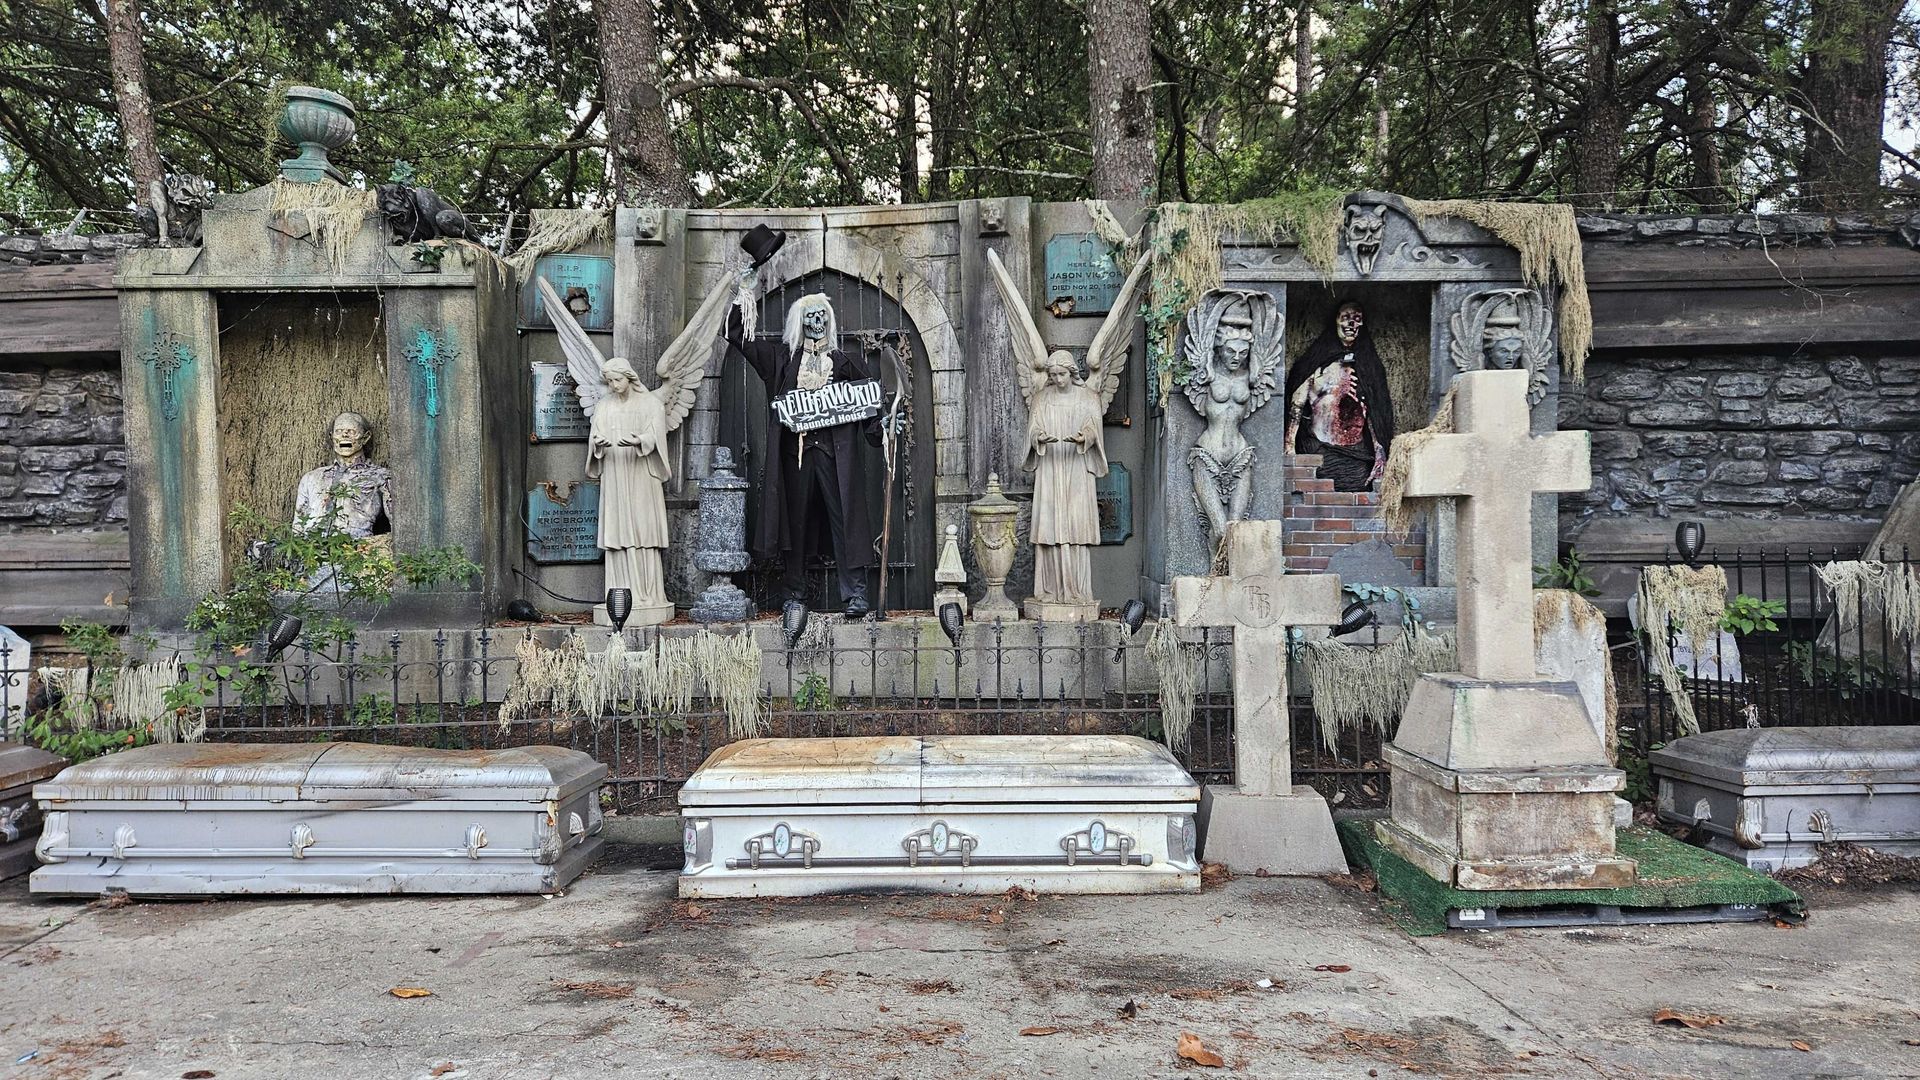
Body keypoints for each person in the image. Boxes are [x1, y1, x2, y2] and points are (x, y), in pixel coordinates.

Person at [724, 293, 882, 617]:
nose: (817, 322)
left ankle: (855, 594)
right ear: (800, 321)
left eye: (822, 316)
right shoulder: (782, 360)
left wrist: (885, 427)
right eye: (810, 316)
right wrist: (744, 292)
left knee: (845, 521)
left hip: (836, 457)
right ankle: (794, 593)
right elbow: (736, 334)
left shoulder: (845, 362)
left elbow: (869, 410)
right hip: (795, 456)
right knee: (794, 523)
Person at [585, 357, 672, 610]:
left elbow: (657, 436)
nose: (613, 385)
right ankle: (617, 594)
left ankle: (646, 594)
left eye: (617, 380)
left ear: (630, 377)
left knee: (642, 530)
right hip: (614, 473)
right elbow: (595, 435)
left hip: (641, 474)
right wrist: (597, 444)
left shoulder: (650, 403)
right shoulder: (604, 405)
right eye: (610, 381)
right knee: (618, 531)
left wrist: (641, 441)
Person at [1283, 301, 1396, 491]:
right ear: (1335, 321)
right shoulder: (1315, 364)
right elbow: (1297, 402)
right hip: (1319, 452)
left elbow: (1375, 413)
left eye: (1357, 319)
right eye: (1346, 318)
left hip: (1357, 458)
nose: (1351, 324)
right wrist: (1289, 445)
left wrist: (1379, 450)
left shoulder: (1369, 368)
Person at [1024, 356, 1107, 609]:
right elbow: (1032, 429)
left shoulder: (1088, 398)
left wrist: (1086, 437)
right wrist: (1038, 436)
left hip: (1077, 468)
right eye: (1054, 375)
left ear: (1072, 373)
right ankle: (1048, 590)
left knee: (1075, 527)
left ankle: (1078, 591)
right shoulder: (1042, 398)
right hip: (1049, 468)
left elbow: (1095, 428)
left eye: (1062, 374)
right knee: (1049, 529)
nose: (1058, 379)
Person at [294, 412, 392, 538]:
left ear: (365, 437)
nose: (344, 435)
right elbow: (298, 529)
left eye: (351, 431)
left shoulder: (380, 477)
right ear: (332, 436)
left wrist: (373, 546)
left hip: (355, 551)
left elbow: (400, 527)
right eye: (339, 431)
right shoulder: (311, 478)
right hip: (310, 551)